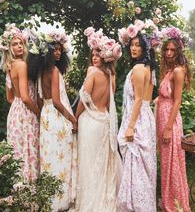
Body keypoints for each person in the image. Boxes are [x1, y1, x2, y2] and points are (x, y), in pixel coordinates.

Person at [27, 30, 77, 211]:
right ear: (47, 51)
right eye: (54, 49)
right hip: (57, 117)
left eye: (59, 50)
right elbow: (57, 101)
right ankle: (60, 202)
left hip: (46, 117)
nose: (58, 53)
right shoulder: (54, 71)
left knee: (49, 158)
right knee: (60, 158)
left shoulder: (40, 72)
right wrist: (73, 119)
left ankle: (48, 200)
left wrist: (43, 116)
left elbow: (41, 101)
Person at [75, 27, 122, 212]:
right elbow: (109, 101)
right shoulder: (112, 75)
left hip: (90, 121)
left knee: (90, 163)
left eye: (97, 54)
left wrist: (74, 119)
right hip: (104, 120)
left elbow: (83, 99)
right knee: (102, 162)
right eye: (93, 55)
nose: (94, 58)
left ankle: (92, 201)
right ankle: (105, 197)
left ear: (104, 56)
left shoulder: (92, 72)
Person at [117, 22, 157, 212]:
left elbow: (139, 99)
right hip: (144, 116)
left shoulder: (140, 69)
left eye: (138, 45)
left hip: (138, 118)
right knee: (142, 164)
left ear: (145, 48)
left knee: (137, 164)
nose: (133, 48)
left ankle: (138, 205)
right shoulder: (148, 67)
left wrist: (131, 127)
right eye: (132, 44)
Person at [0, 24, 40, 182]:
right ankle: (31, 190)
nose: (19, 46)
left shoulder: (9, 67)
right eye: (14, 44)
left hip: (14, 114)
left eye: (21, 43)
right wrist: (38, 112)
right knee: (28, 152)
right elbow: (25, 97)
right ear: (9, 48)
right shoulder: (21, 65)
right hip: (25, 113)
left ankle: (19, 190)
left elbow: (10, 97)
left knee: (19, 154)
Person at [156, 26, 191, 212]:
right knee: (166, 162)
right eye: (166, 49)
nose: (169, 53)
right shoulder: (168, 70)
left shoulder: (178, 71)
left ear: (178, 52)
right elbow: (166, 95)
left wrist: (168, 127)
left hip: (170, 120)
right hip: (162, 117)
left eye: (172, 50)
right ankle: (168, 197)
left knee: (173, 163)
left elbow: (177, 101)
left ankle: (176, 203)